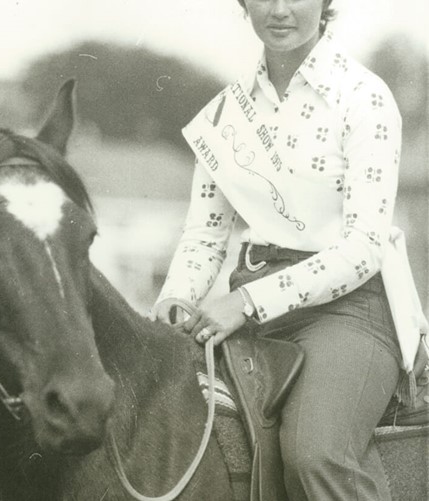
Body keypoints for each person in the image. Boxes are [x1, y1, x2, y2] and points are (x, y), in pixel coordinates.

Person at [151, 0, 427, 499]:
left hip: (349, 310)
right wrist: (178, 297)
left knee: (315, 453)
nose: (280, 10)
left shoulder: (364, 97)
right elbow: (205, 235)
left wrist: (247, 302)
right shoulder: (226, 111)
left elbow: (363, 248)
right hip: (247, 308)